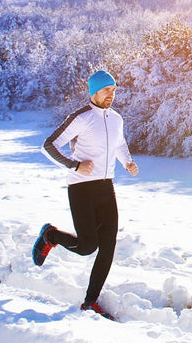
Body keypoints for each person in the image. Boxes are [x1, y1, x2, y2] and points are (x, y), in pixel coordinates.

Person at [32, 70, 138, 317]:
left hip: (106, 186)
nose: (111, 95)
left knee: (108, 246)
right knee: (87, 246)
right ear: (94, 92)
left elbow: (119, 143)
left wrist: (127, 162)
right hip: (81, 188)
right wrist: (74, 165)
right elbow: (48, 146)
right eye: (106, 90)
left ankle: (90, 301)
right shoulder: (80, 117)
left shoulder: (116, 119)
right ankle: (51, 235)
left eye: (114, 90)